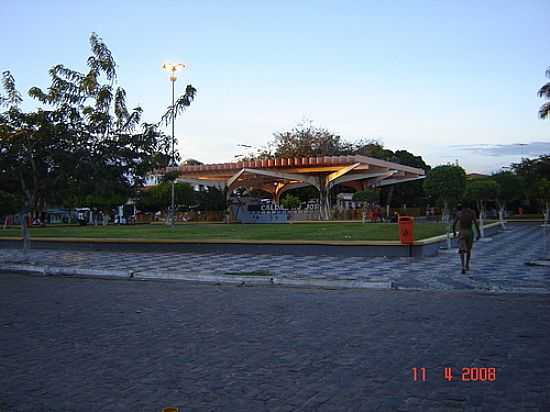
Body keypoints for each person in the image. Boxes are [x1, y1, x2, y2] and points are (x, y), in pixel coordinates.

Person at [453, 203, 481, 275]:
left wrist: (454, 233)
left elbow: (454, 224)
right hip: (470, 232)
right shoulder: (472, 212)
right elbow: (475, 223)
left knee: (462, 250)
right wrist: (479, 233)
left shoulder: (459, 213)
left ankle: (462, 266)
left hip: (462, 232)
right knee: (468, 250)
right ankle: (467, 265)